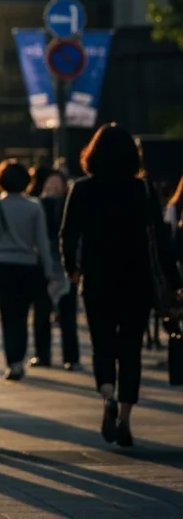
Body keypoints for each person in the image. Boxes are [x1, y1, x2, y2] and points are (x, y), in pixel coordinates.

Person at [61, 124, 183, 448]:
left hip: (97, 278)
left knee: (102, 343)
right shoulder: (142, 189)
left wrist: (71, 267)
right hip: (137, 279)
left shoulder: (82, 188)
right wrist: (174, 282)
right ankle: (126, 418)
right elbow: (161, 239)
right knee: (131, 349)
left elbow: (68, 233)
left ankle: (108, 395)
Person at [0, 160, 58, 382]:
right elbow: (42, 242)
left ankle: (12, 361)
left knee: (7, 314)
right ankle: (20, 358)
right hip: (28, 265)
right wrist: (49, 270)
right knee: (22, 315)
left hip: (3, 264)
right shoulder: (34, 206)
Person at [32, 168, 79, 371]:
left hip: (64, 263)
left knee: (66, 313)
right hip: (44, 264)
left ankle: (68, 356)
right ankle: (46, 355)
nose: (53, 188)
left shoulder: (68, 204)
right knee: (43, 312)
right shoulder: (36, 205)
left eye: (57, 185)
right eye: (50, 184)